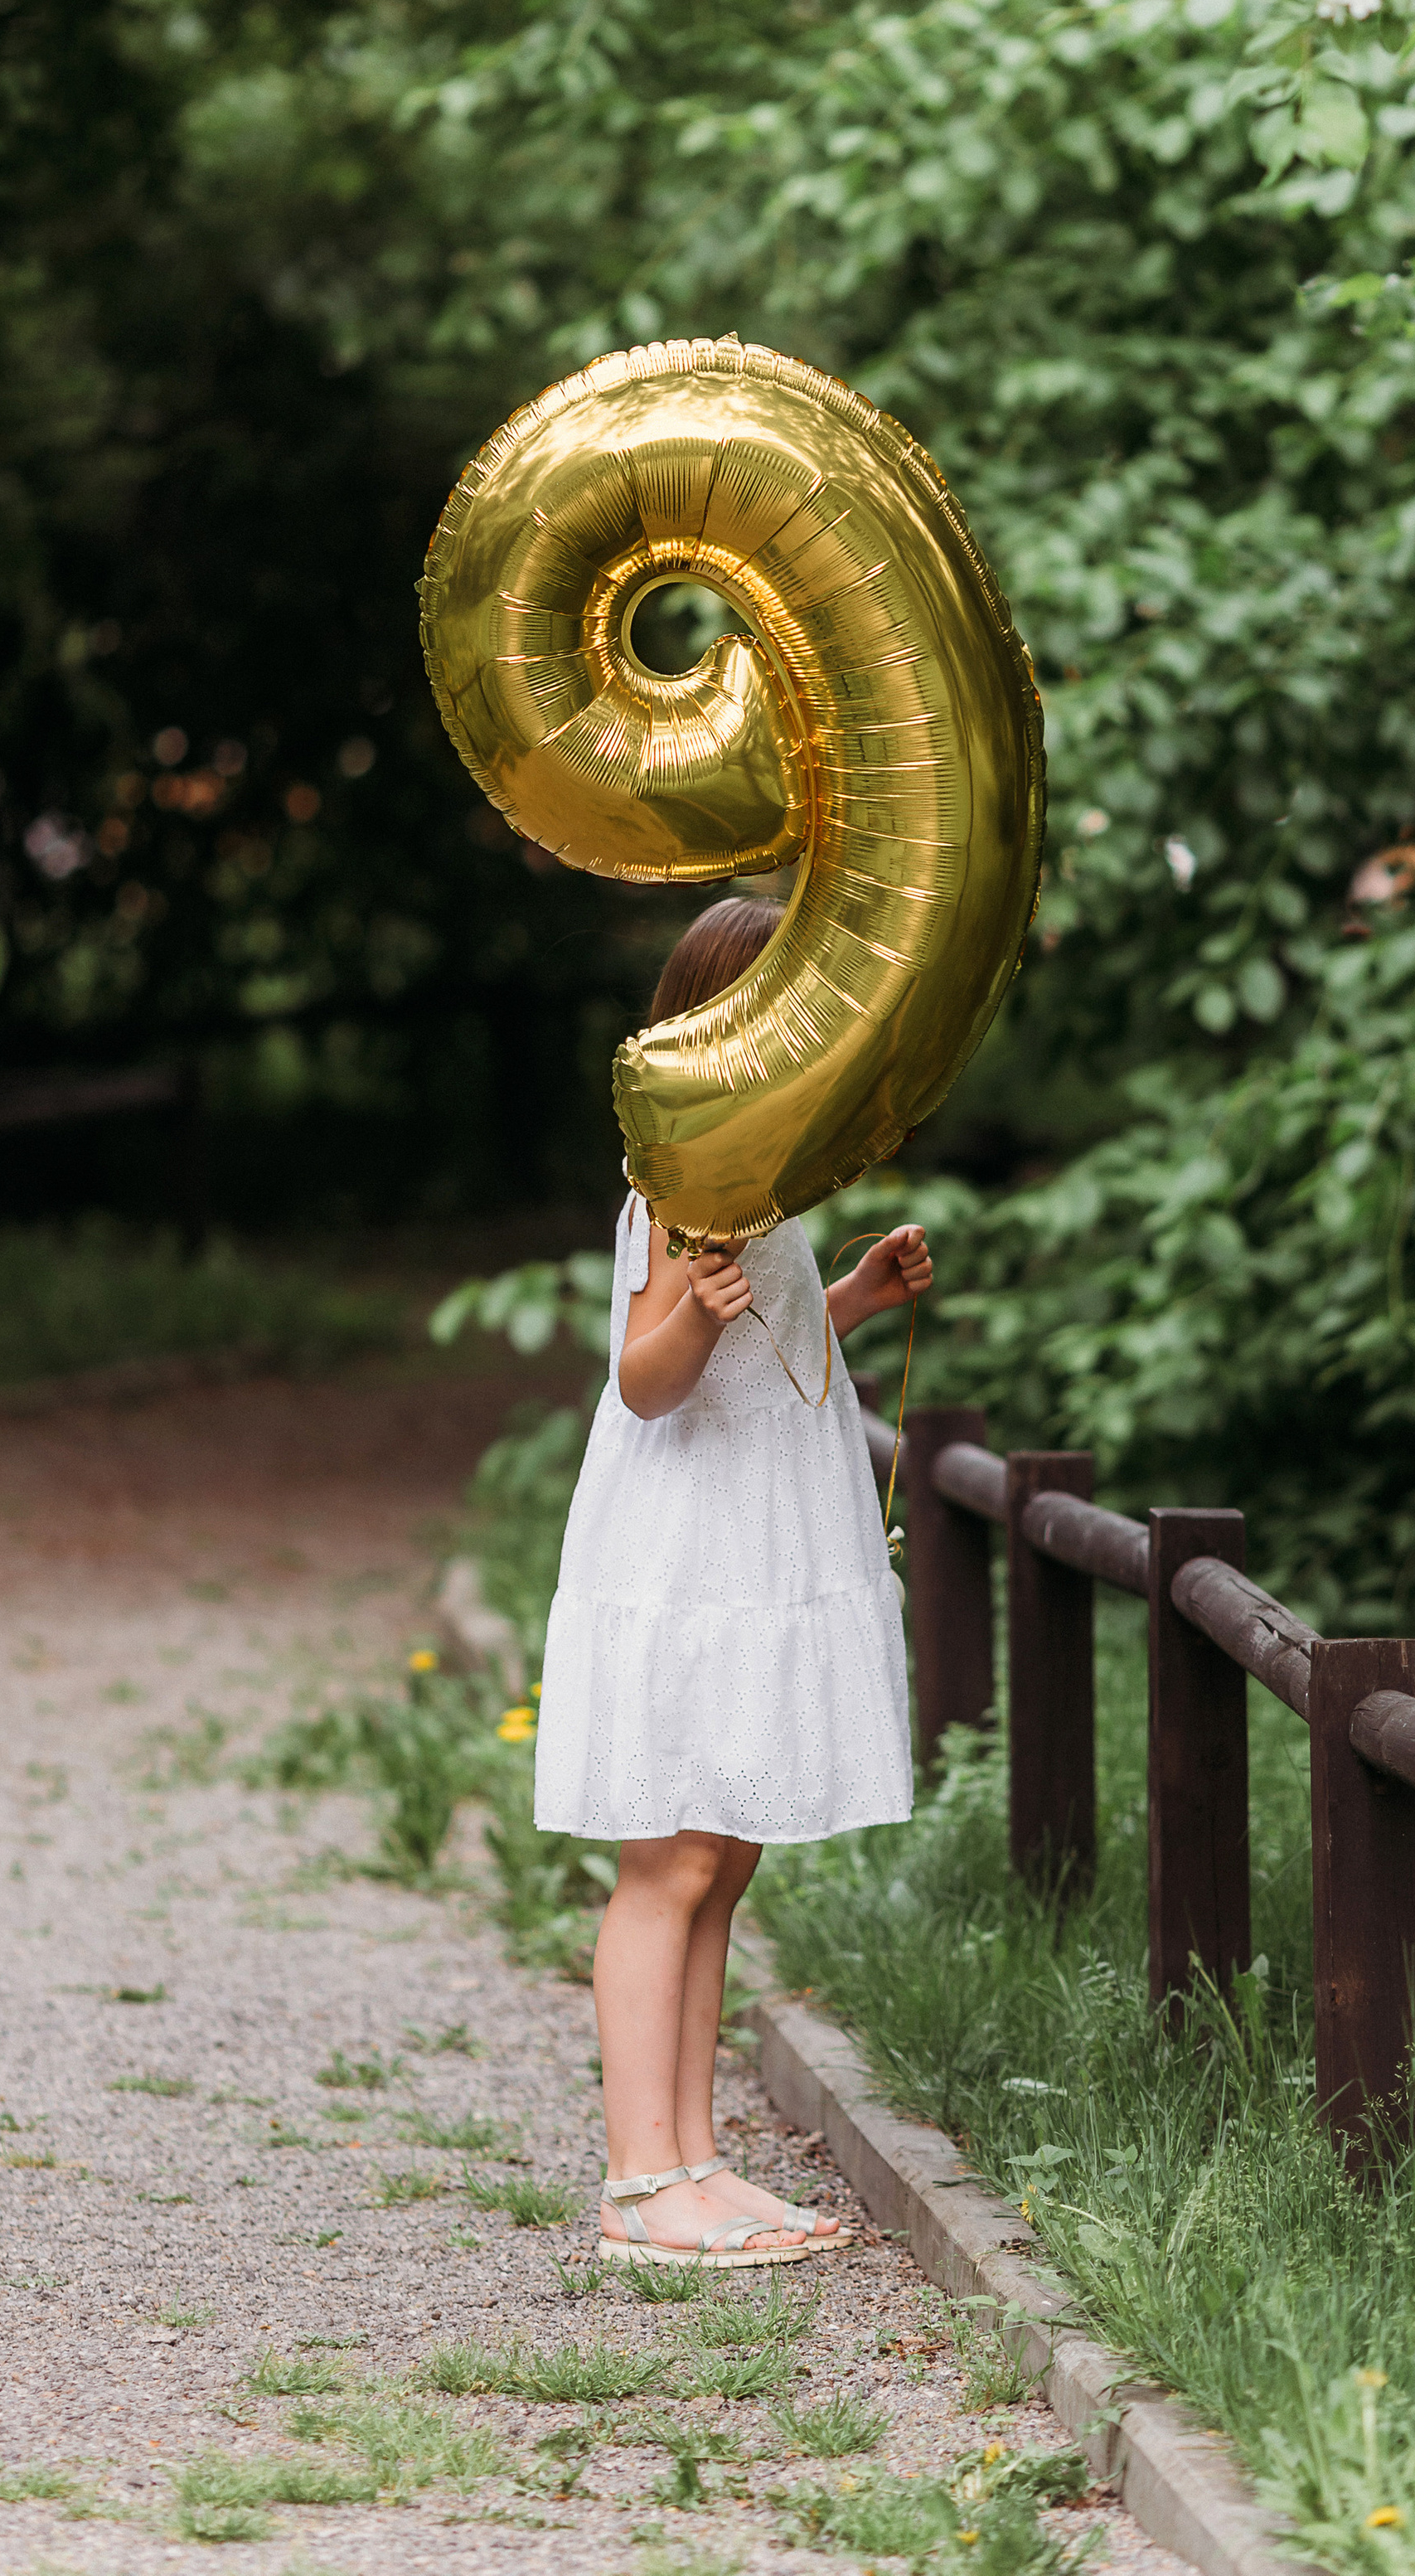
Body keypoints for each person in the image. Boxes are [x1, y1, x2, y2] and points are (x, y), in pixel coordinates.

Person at [533, 895, 928, 2267]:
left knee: (727, 1853)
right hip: (688, 1548)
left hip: (760, 1538)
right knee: (672, 1855)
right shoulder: (679, 1177)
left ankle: (694, 2159)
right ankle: (641, 2184)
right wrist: (686, 1322)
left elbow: (778, 1343)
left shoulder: (765, 1177)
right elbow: (641, 1383)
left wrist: (861, 1293)